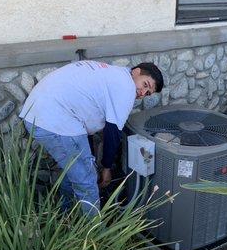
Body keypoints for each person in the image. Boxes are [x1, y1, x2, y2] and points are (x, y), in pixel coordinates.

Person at [20, 60, 164, 217]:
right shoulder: (126, 86)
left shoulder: (113, 74)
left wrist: (93, 159)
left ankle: (64, 218)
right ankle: (93, 236)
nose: (142, 93)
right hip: (55, 119)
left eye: (147, 93)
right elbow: (113, 132)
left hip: (39, 114)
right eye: (145, 85)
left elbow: (86, 121)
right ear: (136, 71)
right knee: (87, 180)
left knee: (74, 173)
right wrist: (107, 168)